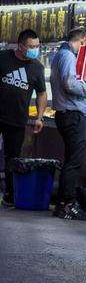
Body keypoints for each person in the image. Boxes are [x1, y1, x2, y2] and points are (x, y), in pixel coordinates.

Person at [50, 27, 86, 220]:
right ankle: (68, 204)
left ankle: (63, 204)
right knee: (74, 161)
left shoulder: (60, 54)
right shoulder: (68, 56)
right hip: (73, 115)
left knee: (71, 159)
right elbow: (70, 84)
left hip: (66, 114)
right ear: (83, 41)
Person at [0, 29, 47, 207]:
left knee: (12, 158)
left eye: (37, 46)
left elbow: (42, 94)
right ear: (20, 46)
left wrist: (40, 116)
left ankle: (10, 195)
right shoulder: (3, 58)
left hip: (17, 120)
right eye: (31, 46)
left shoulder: (37, 67)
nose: (34, 49)